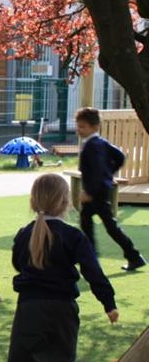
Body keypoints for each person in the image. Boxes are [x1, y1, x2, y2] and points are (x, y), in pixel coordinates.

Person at [7, 173, 118, 362]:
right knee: (67, 358)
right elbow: (93, 271)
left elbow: (18, 265)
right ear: (65, 201)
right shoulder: (73, 236)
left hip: (29, 307)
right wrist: (109, 303)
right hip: (61, 307)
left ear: (34, 201)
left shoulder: (24, 234)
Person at [76, 107, 145, 271]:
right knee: (102, 224)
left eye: (83, 126)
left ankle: (92, 259)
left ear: (95, 127)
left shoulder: (92, 146)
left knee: (97, 224)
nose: (79, 130)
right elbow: (120, 156)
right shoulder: (102, 143)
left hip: (96, 192)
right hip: (101, 190)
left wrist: (89, 192)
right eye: (78, 126)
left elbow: (98, 170)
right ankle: (132, 256)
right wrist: (110, 173)